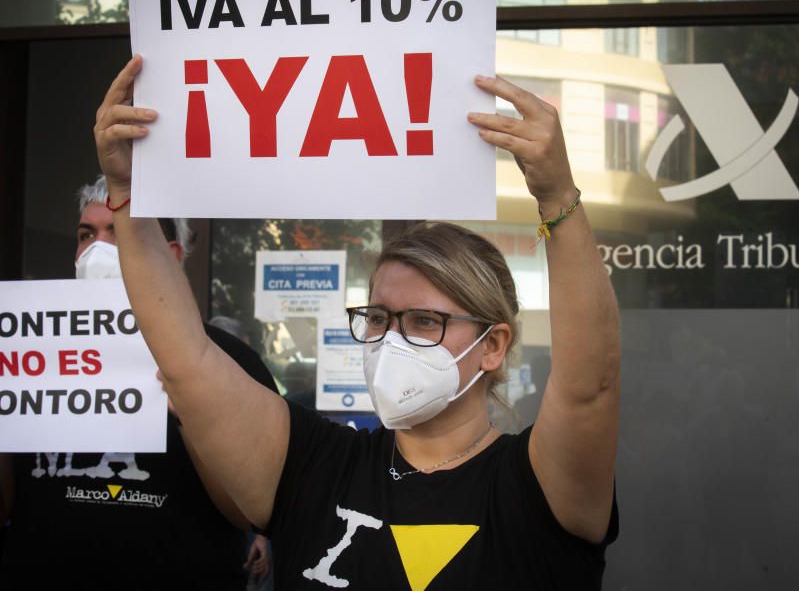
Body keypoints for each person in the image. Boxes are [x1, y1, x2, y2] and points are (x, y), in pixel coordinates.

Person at [92, 55, 620, 589]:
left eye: (422, 320)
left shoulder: (538, 485)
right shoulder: (313, 465)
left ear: (493, 345)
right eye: (376, 318)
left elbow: (589, 388)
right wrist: (127, 197)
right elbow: (188, 360)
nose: (391, 339)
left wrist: (557, 197)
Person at [0, 175, 277, 589]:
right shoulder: (21, 349)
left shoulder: (230, 360)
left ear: (170, 254)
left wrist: (192, 410)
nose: (96, 249)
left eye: (119, 233)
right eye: (86, 235)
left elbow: (249, 511)